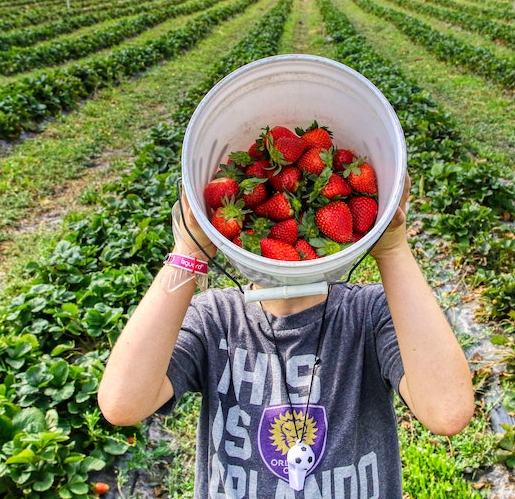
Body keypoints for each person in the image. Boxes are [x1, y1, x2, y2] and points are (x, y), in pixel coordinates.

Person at [98, 176, 475, 497]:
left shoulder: (370, 315)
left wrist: (392, 249)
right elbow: (122, 404)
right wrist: (187, 249)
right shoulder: (214, 319)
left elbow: (448, 411)